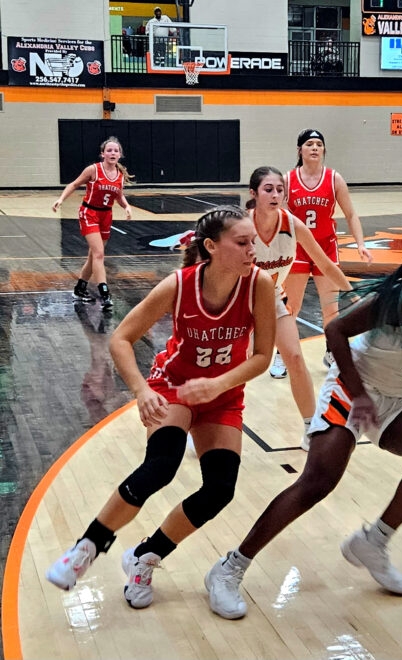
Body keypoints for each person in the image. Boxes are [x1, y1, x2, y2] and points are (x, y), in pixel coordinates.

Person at [203, 221, 402, 619]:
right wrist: (357, 396)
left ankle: (374, 542)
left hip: (395, 399)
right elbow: (335, 330)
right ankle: (229, 567)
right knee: (318, 482)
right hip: (350, 389)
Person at [45, 205, 276, 607]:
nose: (251, 249)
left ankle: (144, 557)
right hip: (173, 387)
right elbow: (120, 339)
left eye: (252, 241)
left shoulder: (260, 284)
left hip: (222, 394)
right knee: (161, 466)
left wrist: (217, 385)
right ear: (212, 246)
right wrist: (140, 390)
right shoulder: (179, 285)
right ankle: (85, 549)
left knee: (220, 489)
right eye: (241, 242)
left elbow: (263, 356)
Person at [249, 166, 353, 452]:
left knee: (294, 356)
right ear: (254, 194)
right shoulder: (243, 227)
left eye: (280, 190)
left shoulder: (292, 224)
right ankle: (201, 420)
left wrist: (353, 293)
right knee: (233, 367)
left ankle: (312, 428)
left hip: (272, 297)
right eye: (268, 189)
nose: (275, 195)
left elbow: (326, 264)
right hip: (240, 302)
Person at [282, 128, 370, 378]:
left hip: (326, 247)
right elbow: (281, 218)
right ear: (299, 150)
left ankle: (331, 351)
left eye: (319, 144)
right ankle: (282, 355)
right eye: (309, 144)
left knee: (330, 307)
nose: (314, 148)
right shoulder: (288, 180)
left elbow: (351, 214)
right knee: (292, 306)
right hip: (297, 248)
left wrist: (360, 243)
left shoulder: (334, 179)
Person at [53, 137, 134, 310]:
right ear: (102, 154)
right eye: (109, 150)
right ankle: (105, 294)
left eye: (116, 150)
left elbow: (118, 196)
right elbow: (74, 184)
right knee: (99, 254)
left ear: (120, 155)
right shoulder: (93, 170)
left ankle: (79, 289)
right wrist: (61, 199)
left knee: (93, 256)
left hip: (106, 216)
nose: (112, 153)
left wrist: (126, 206)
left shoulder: (119, 176)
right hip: (89, 213)